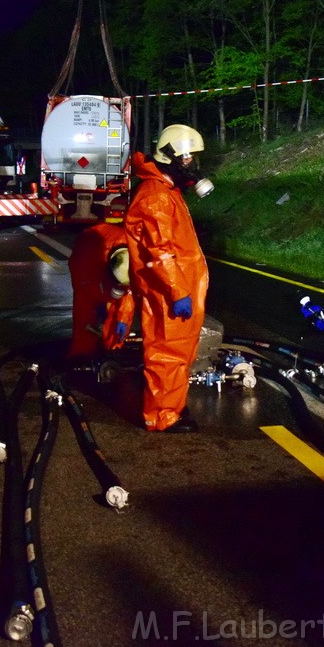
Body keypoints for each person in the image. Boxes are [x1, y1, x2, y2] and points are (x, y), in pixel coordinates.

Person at [124, 124, 214, 433]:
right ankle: (162, 415)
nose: (193, 166)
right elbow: (160, 252)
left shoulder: (165, 190)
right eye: (190, 159)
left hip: (179, 285)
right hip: (168, 290)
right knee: (167, 352)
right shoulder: (156, 197)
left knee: (179, 352)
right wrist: (177, 291)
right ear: (175, 156)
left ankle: (172, 405)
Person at [67, 222, 135, 361]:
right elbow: (85, 288)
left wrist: (122, 318)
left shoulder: (131, 256)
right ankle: (81, 356)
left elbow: (129, 294)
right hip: (86, 261)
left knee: (118, 313)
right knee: (85, 314)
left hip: (109, 265)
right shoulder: (88, 255)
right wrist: (100, 302)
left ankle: (113, 349)